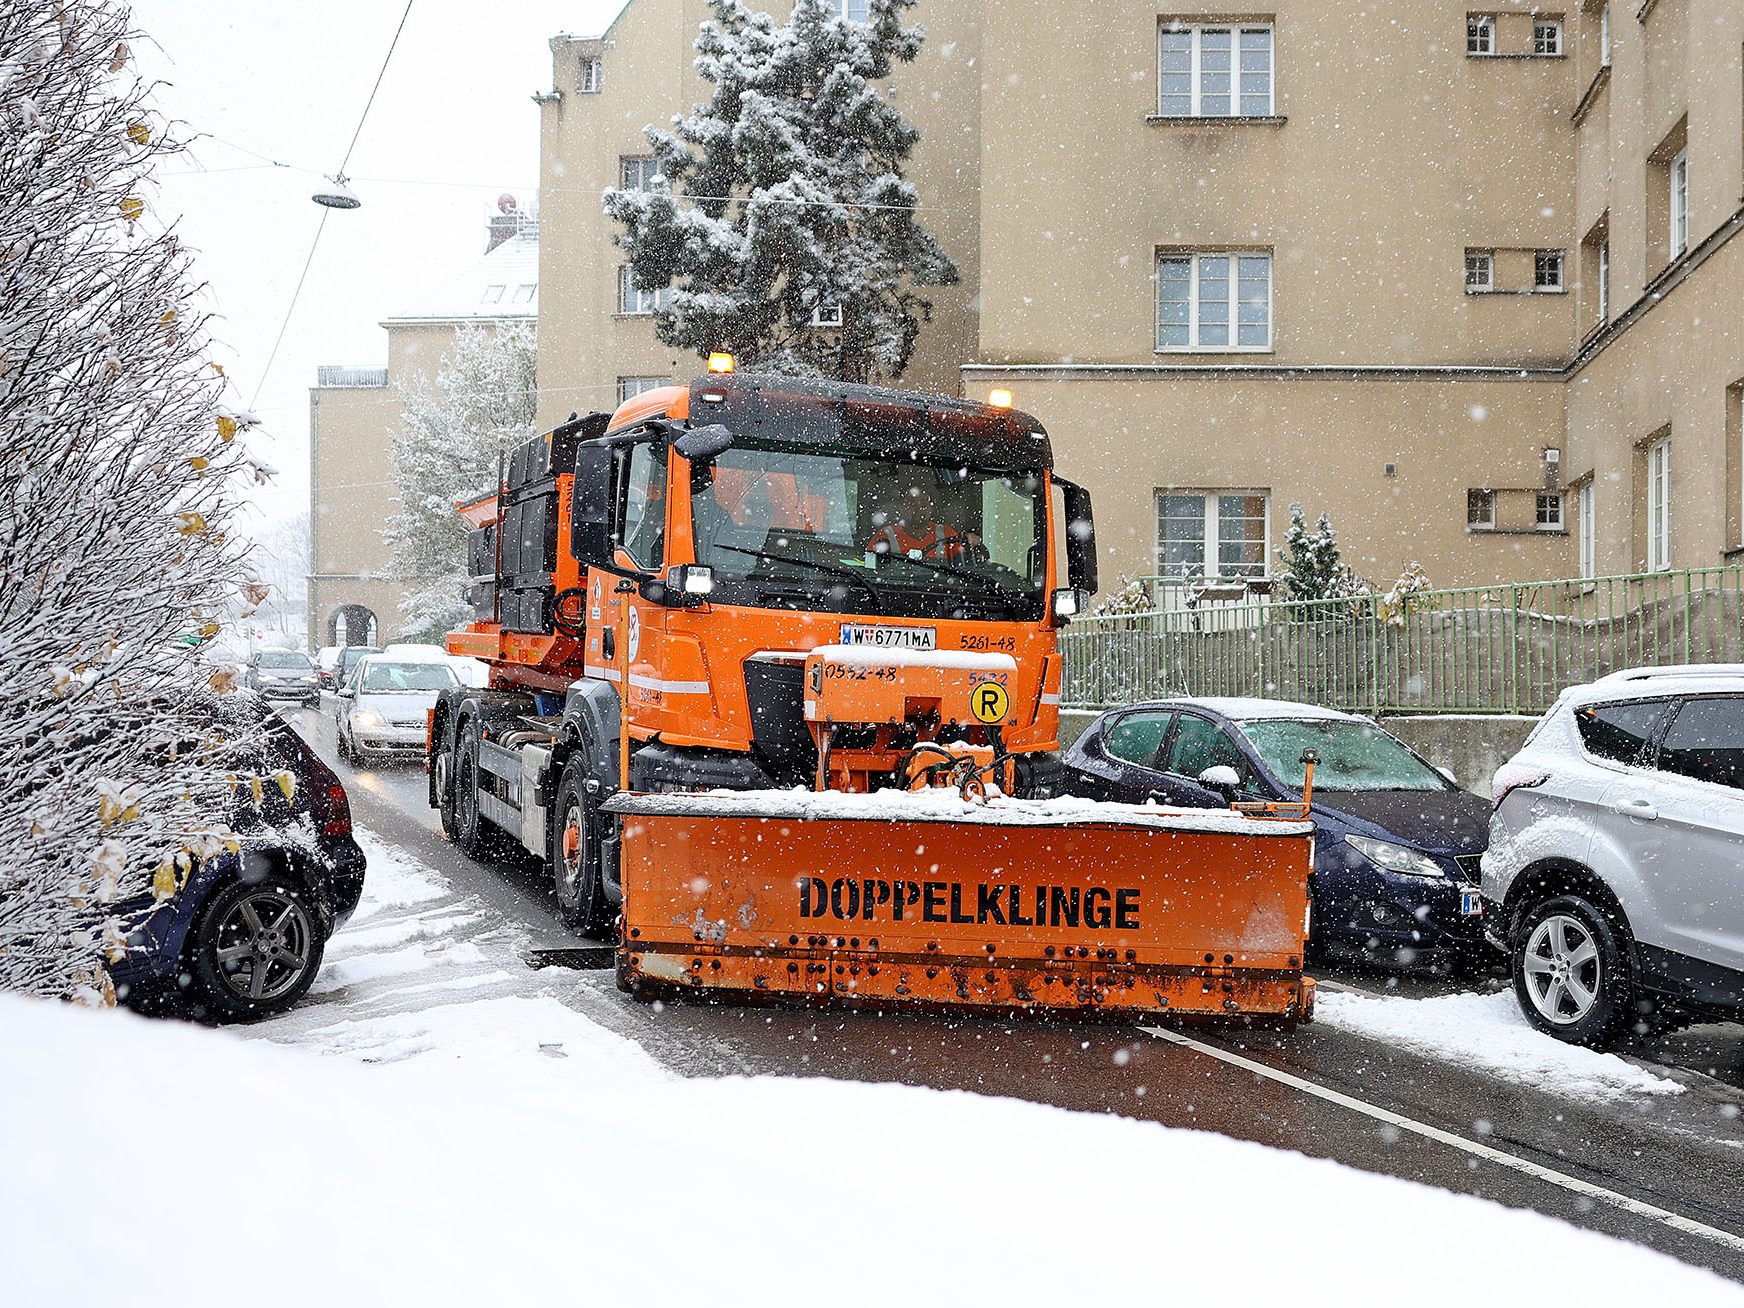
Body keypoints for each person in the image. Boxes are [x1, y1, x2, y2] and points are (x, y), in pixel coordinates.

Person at [866, 483, 978, 561]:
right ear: (902, 508)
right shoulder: (885, 535)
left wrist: (973, 544)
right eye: (912, 504)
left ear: (931, 508)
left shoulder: (948, 534)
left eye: (923, 504)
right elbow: (870, 568)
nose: (918, 509)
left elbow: (964, 566)